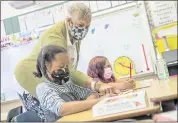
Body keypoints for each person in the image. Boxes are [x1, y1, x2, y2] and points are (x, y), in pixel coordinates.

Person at [14, 3, 119, 97]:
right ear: (68, 21)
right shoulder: (54, 36)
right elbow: (65, 69)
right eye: (81, 25)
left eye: (87, 26)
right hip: (30, 74)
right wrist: (96, 85)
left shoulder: (75, 35)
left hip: (52, 79)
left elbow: (69, 70)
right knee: (57, 108)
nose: (84, 30)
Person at [34, 45, 115, 121]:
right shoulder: (42, 88)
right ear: (46, 68)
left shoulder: (68, 85)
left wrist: (83, 105)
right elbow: (62, 109)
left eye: (66, 66)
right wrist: (99, 101)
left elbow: (92, 93)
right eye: (61, 67)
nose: (65, 70)